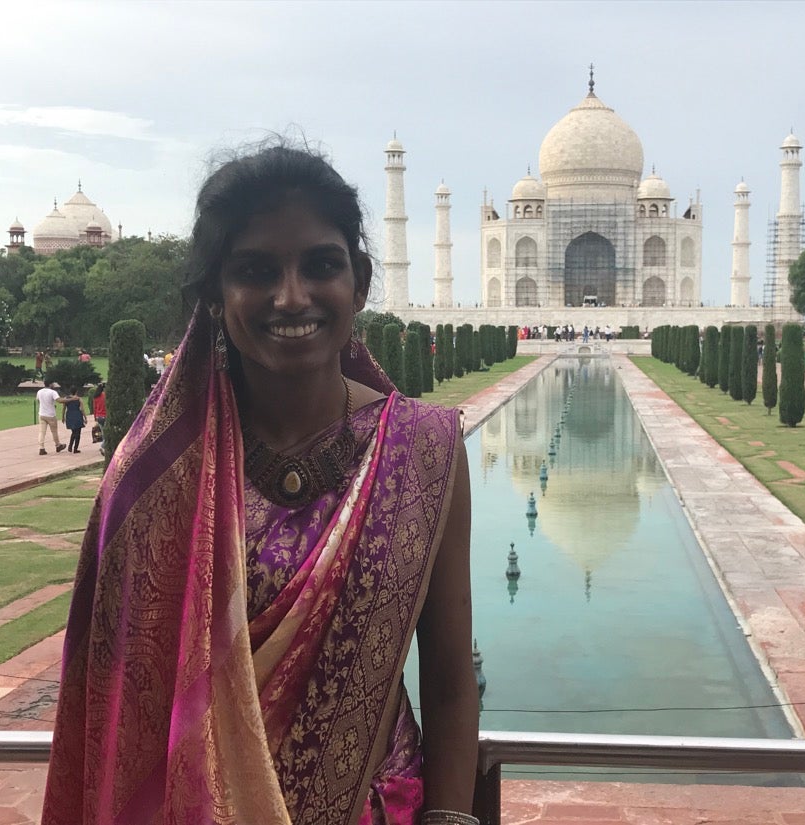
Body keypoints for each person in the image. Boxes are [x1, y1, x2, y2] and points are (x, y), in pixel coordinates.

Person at [43, 144, 479, 825]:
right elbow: (113, 702)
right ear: (215, 297)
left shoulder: (424, 450)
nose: (291, 296)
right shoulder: (156, 477)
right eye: (255, 271)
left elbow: (450, 680)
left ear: (359, 283)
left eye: (320, 265)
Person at [36, 381, 66, 455]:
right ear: (50, 384)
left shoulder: (39, 391)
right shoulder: (52, 392)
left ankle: (41, 447)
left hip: (42, 414)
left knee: (42, 432)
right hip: (50, 415)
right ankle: (58, 445)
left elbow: (38, 401)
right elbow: (59, 400)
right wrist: (69, 399)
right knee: (54, 431)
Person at [61, 387, 86, 453]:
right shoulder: (79, 399)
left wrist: (63, 417)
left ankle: (70, 446)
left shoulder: (66, 399)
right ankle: (75, 448)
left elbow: (63, 408)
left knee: (74, 432)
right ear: (76, 392)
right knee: (78, 433)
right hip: (77, 415)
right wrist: (85, 417)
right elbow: (82, 409)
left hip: (69, 415)